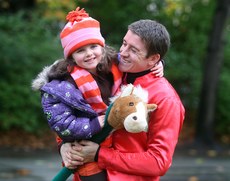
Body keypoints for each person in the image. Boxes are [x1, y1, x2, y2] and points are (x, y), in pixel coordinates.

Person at [32, 7, 164, 181]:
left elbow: (140, 59)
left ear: (101, 46)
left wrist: (159, 63)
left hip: (111, 144)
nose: (89, 54)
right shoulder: (62, 85)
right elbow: (61, 123)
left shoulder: (112, 63)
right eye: (80, 51)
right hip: (84, 141)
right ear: (71, 56)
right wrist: (96, 124)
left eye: (93, 46)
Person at [61, 19, 185, 181]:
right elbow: (68, 108)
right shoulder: (106, 70)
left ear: (153, 59)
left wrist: (100, 154)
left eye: (133, 50)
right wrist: (63, 146)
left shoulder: (166, 99)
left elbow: (159, 161)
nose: (123, 53)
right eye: (124, 43)